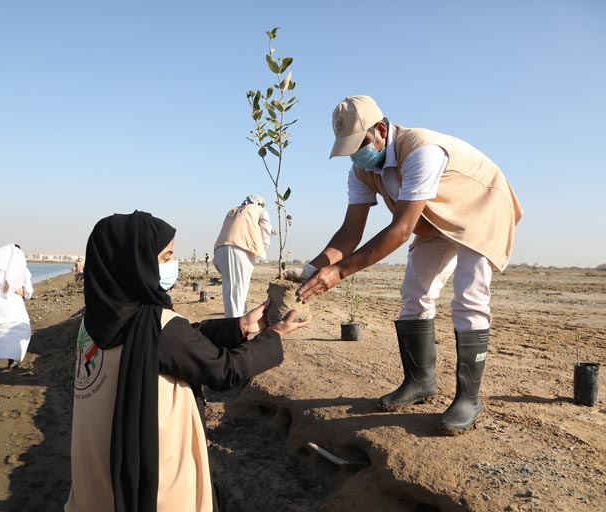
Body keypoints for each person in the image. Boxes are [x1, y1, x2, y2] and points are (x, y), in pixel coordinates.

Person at [298, 95, 523, 435]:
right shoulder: (362, 171)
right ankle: (419, 381)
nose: (356, 155)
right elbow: (349, 233)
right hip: (434, 218)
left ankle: (468, 399)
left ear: (381, 130)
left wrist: (340, 272)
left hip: (480, 206)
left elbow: (401, 230)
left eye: (359, 145)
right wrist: (311, 271)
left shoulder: (421, 151)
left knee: (468, 297)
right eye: (348, 149)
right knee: (414, 293)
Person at [65, 211, 308, 512]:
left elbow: (182, 338)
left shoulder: (93, 322)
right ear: (136, 263)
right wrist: (274, 336)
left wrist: (240, 327)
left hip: (97, 467)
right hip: (154, 469)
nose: (172, 266)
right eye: (166, 257)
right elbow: (224, 371)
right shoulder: (158, 326)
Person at [212, 195, 272, 318]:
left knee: (229, 291)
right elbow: (266, 233)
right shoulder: (260, 210)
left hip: (220, 251)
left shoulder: (232, 211)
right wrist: (260, 249)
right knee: (238, 291)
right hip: (239, 250)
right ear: (260, 203)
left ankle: (229, 324)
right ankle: (235, 330)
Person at [0, 243, 33, 378]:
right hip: (14, 304)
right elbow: (28, 291)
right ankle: (11, 362)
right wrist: (24, 293)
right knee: (19, 332)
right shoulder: (20, 268)